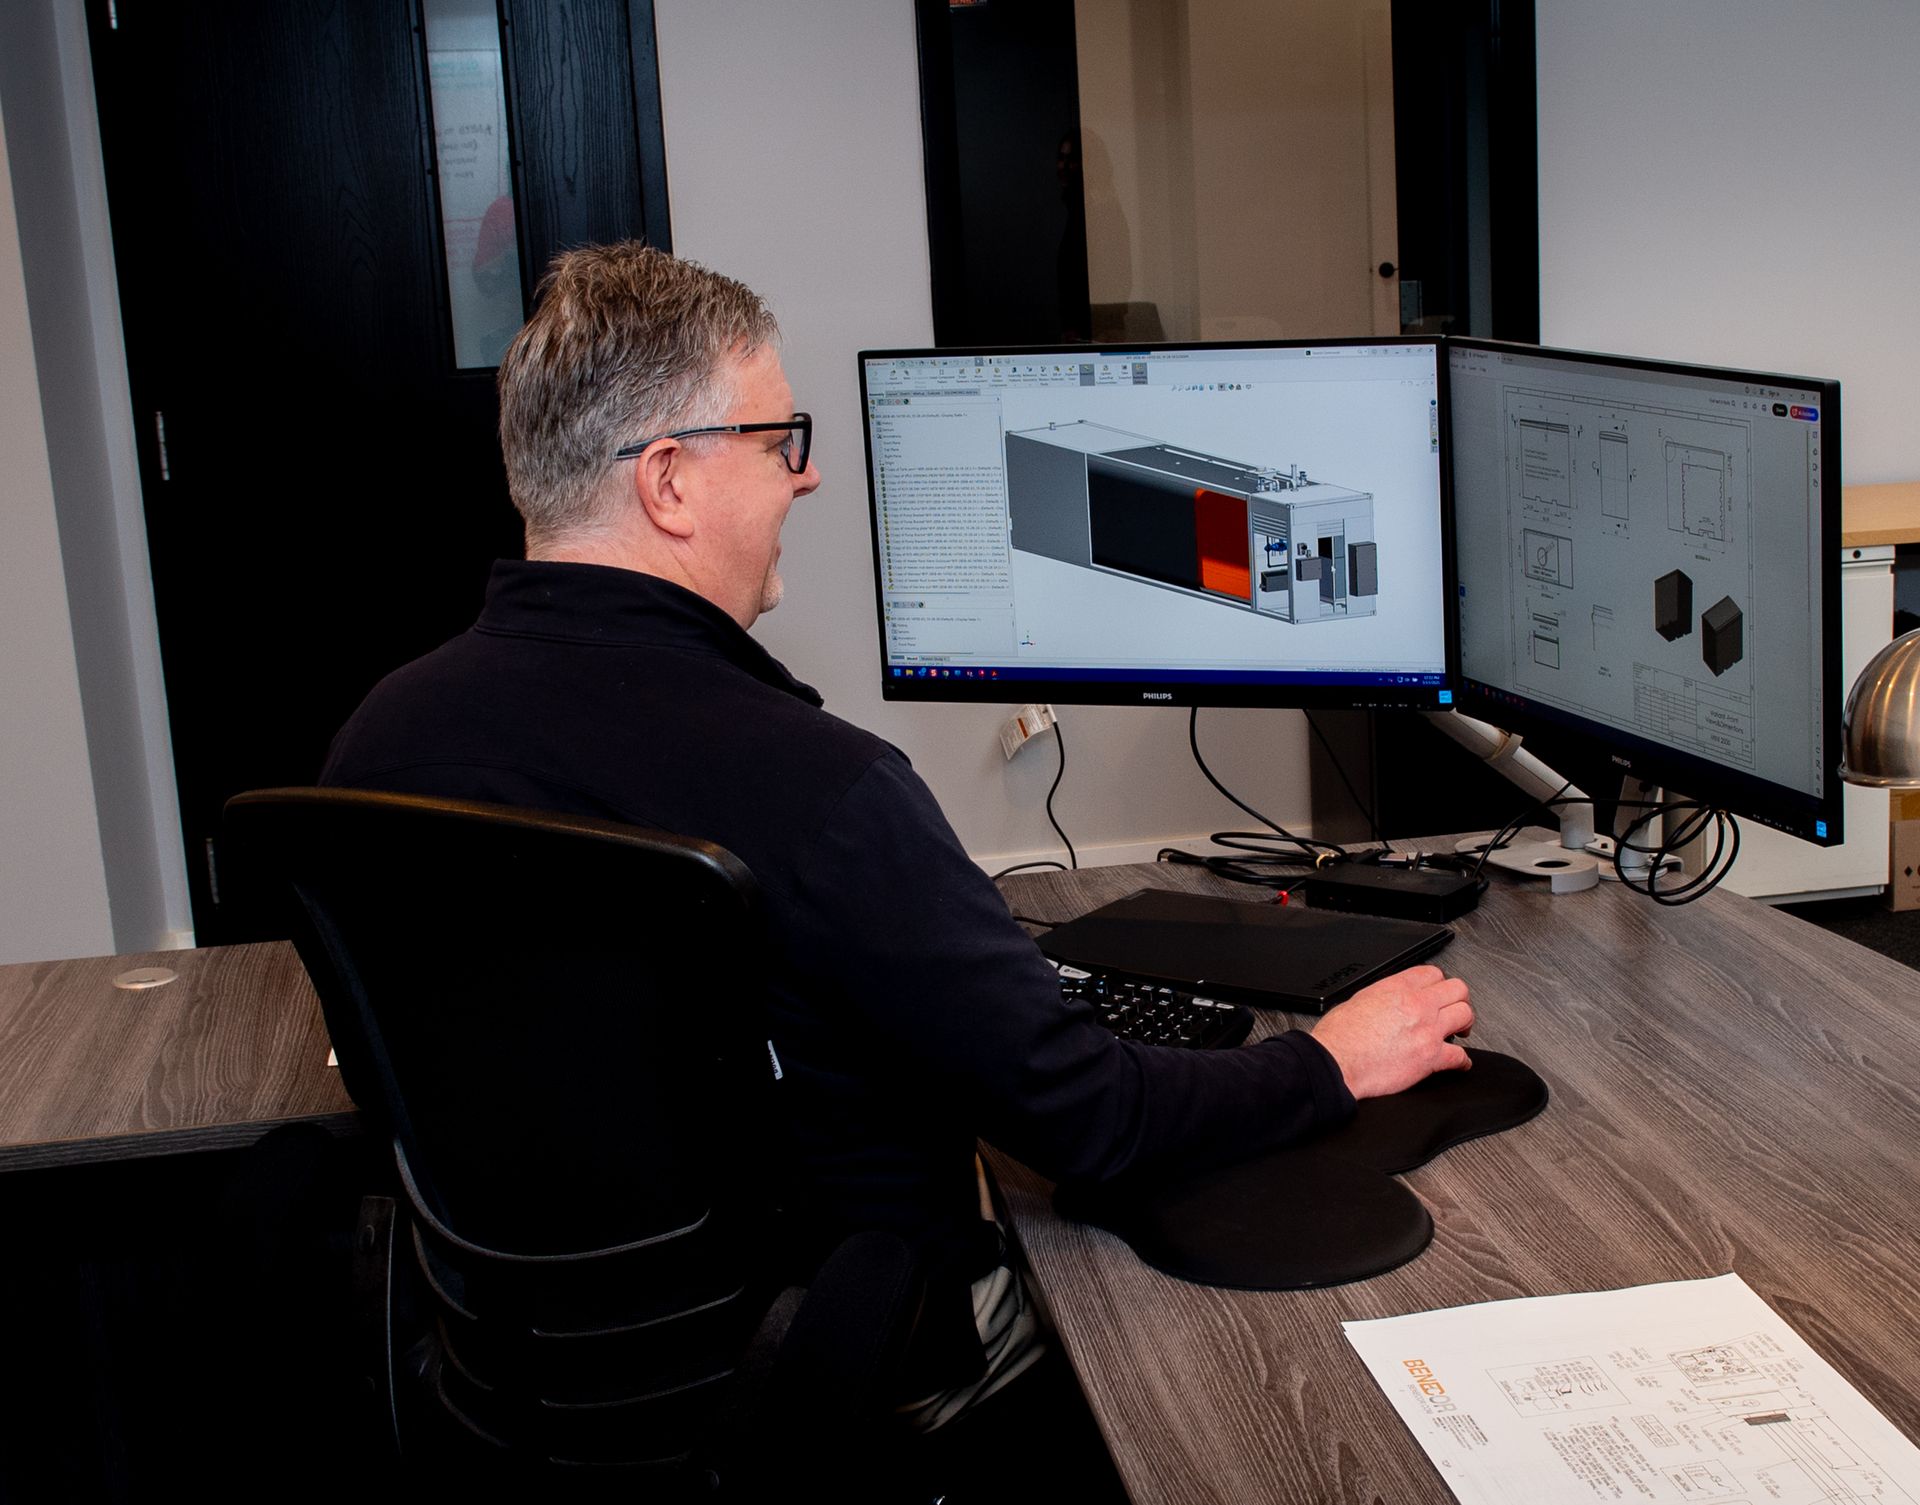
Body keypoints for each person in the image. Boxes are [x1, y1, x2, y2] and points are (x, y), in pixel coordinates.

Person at [321, 242, 1473, 1435]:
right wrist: (1325, 1061)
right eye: (779, 442)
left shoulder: (377, 747)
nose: (807, 476)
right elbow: (1094, 1120)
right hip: (825, 1369)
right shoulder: (823, 789)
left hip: (516, 1375)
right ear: (669, 482)